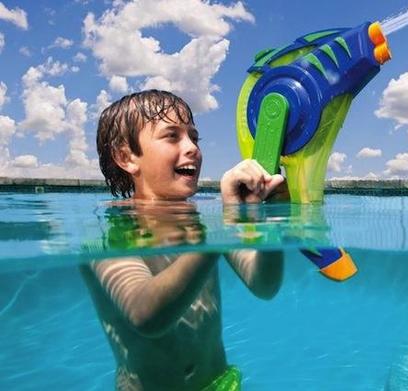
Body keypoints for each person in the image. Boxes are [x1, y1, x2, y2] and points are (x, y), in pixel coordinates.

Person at [80, 90, 286, 390]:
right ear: (126, 157)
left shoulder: (204, 218)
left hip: (221, 383)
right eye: (172, 136)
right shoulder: (106, 230)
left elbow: (264, 285)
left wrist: (271, 218)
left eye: (194, 137)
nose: (192, 148)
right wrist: (224, 226)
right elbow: (145, 315)